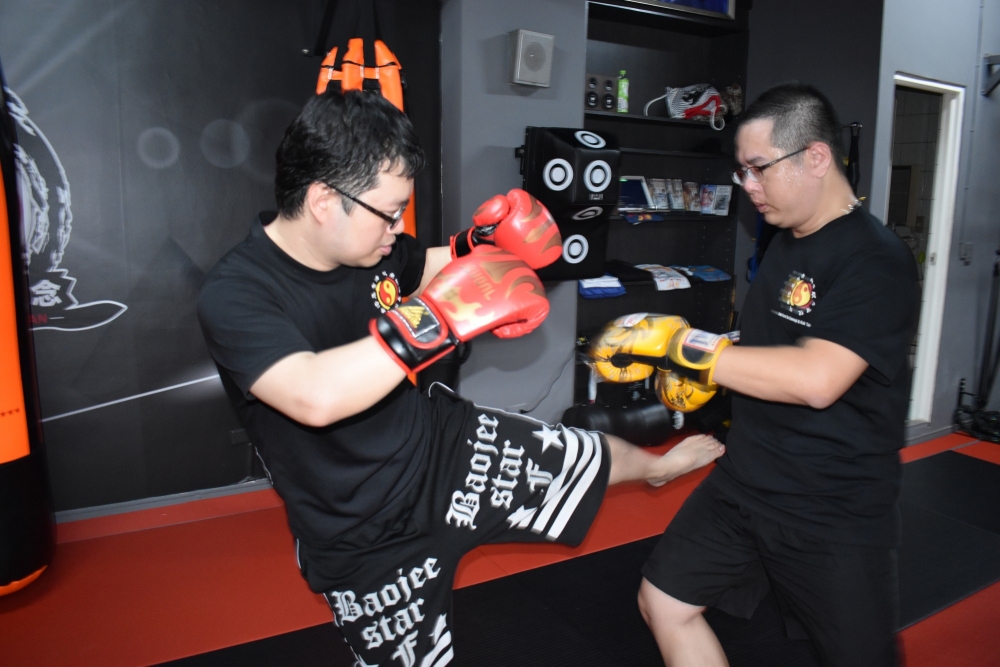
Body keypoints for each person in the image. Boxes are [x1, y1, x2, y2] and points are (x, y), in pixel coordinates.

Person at [197, 88, 724, 667]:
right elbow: (313, 395)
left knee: (584, 453)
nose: (396, 228)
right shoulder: (237, 293)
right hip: (359, 530)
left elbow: (425, 265)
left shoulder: (369, 248)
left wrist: (485, 246)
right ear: (324, 200)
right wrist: (437, 318)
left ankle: (655, 469)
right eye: (389, 212)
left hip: (440, 447)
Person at [636, 83, 920, 666]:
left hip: (829, 504)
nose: (749, 186)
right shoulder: (784, 241)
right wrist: (720, 360)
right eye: (742, 171)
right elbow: (774, 343)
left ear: (815, 157)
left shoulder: (876, 259)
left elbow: (818, 378)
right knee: (664, 601)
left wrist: (684, 348)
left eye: (758, 168)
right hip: (746, 478)